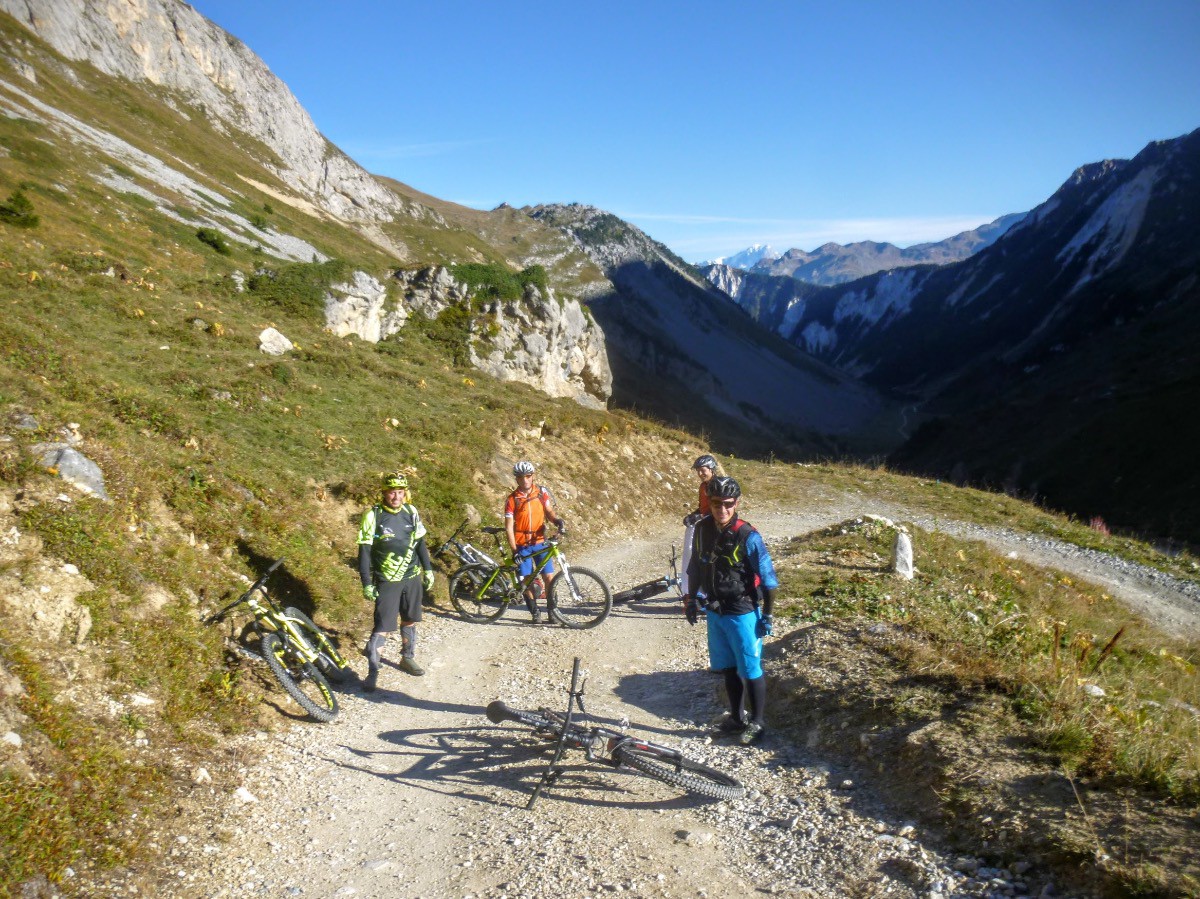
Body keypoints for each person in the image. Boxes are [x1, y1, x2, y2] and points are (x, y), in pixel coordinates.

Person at [683, 476, 779, 745]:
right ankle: (737, 717)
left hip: (742, 611)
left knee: (750, 668)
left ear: (736, 503)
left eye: (728, 504)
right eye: (716, 503)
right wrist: (691, 599)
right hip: (716, 610)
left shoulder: (748, 535)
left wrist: (768, 616)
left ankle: (758, 722)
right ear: (710, 503)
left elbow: (769, 579)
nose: (722, 509)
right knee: (728, 667)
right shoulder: (702, 529)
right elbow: (695, 567)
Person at [358, 473, 435, 689]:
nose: (396, 496)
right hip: (387, 578)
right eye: (392, 492)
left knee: (410, 618)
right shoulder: (373, 516)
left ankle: (407, 657)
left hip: (411, 575)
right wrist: (366, 582)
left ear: (405, 493)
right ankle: (372, 671)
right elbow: (364, 552)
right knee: (382, 625)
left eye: (400, 492)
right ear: (384, 492)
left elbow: (420, 543)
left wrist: (428, 570)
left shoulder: (411, 512)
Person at [504, 460, 565, 624]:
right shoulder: (512, 500)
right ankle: (535, 612)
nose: (525, 480)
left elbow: (549, 511)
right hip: (522, 544)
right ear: (516, 479)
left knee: (549, 577)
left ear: (533, 476)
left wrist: (557, 521)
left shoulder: (541, 493)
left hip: (540, 541)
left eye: (528, 476)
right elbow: (509, 528)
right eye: (521, 477)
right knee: (526, 579)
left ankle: (553, 611)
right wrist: (514, 550)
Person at [680, 454, 725, 596]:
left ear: (712, 469)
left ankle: (712, 591)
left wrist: (701, 516)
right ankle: (699, 590)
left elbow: (721, 509)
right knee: (698, 556)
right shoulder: (703, 487)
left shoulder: (719, 486)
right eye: (698, 470)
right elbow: (703, 507)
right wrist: (693, 515)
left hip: (716, 526)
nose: (700, 474)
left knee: (712, 559)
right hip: (705, 525)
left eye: (703, 470)